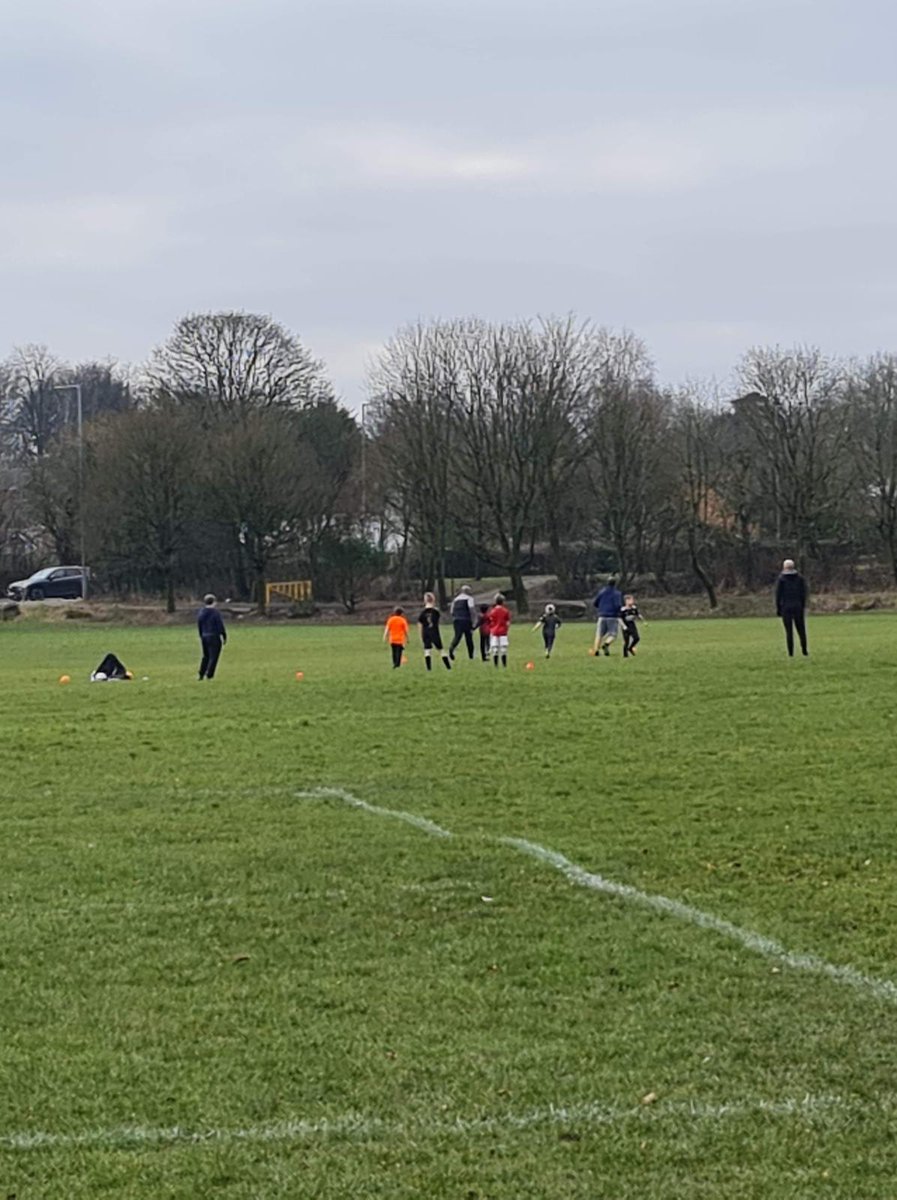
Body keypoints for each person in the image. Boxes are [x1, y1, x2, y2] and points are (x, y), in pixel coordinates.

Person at [775, 559, 809, 657]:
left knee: (789, 631)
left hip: (786, 607)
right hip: (798, 606)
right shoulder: (800, 578)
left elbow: (778, 595)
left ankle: (791, 653)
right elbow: (804, 593)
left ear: (784, 567)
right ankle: (804, 651)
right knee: (801, 630)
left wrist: (778, 608)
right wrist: (803, 605)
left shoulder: (781, 579)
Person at [418, 593, 452, 672]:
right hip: (434, 632)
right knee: (441, 650)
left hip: (426, 632)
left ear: (425, 600)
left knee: (427, 650)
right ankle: (448, 667)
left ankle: (429, 669)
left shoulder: (422, 613)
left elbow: (420, 625)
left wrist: (421, 635)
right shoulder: (436, 612)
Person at [197, 594, 227, 680]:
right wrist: (224, 635)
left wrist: (201, 635)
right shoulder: (215, 613)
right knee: (213, 657)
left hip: (204, 636)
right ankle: (209, 674)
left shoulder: (201, 612)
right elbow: (219, 625)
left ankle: (201, 673)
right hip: (214, 636)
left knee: (205, 656)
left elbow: (199, 624)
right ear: (214, 602)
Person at [593, 576, 623, 656]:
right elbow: (618, 605)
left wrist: (602, 608)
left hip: (602, 616)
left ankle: (596, 650)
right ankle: (606, 644)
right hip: (612, 616)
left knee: (599, 634)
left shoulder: (602, 592)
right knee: (613, 634)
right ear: (615, 584)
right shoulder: (617, 593)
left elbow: (595, 603)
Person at [449, 584, 478, 660]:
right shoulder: (469, 599)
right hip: (466, 620)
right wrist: (474, 620)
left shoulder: (455, 600)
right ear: (468, 591)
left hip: (456, 620)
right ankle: (471, 656)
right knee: (469, 638)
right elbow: (472, 610)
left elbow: (451, 611)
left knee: (457, 636)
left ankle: (451, 648)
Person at [489, 593, 512, 668]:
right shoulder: (505, 611)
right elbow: (508, 622)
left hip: (494, 632)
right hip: (503, 632)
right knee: (503, 649)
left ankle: (496, 665)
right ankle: (504, 665)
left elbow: (491, 622)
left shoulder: (492, 611)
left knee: (495, 649)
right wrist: (507, 628)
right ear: (503, 601)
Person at [620, 594, 643, 658]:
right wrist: (623, 626)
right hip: (625, 626)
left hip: (632, 625)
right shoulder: (623, 609)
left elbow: (637, 614)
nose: (632, 601)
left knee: (637, 638)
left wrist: (641, 619)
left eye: (632, 600)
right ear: (626, 601)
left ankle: (630, 648)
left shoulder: (634, 608)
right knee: (626, 641)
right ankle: (625, 656)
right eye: (630, 600)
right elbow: (619, 619)